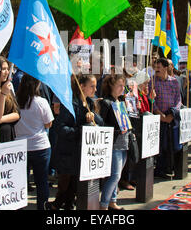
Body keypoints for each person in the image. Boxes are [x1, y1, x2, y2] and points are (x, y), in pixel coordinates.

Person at [47, 74, 103, 210]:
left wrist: (93, 116)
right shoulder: (70, 104)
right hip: (68, 152)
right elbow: (61, 128)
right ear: (82, 87)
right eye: (92, 86)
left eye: (95, 86)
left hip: (81, 153)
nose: (95, 90)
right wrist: (81, 130)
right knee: (65, 185)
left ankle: (62, 205)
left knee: (73, 186)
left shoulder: (90, 103)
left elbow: (100, 122)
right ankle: (57, 205)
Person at [15, 74, 54, 210]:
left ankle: (19, 205)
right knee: (41, 181)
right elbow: (49, 123)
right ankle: (42, 207)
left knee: (20, 181)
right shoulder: (41, 102)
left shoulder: (16, 101)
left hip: (20, 145)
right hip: (40, 146)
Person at [98, 74, 129, 210]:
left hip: (123, 141)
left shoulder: (120, 102)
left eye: (123, 85)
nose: (122, 88)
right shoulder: (106, 102)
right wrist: (117, 130)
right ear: (111, 86)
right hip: (113, 143)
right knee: (114, 175)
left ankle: (112, 201)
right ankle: (104, 204)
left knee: (118, 174)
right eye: (120, 86)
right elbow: (102, 123)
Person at [148, 58, 182, 178]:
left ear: (165, 67)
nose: (156, 70)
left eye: (159, 67)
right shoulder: (151, 82)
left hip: (171, 118)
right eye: (155, 67)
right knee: (161, 145)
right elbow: (151, 99)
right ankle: (160, 169)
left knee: (171, 145)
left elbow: (178, 100)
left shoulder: (174, 82)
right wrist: (159, 114)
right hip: (159, 118)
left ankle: (169, 167)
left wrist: (172, 114)